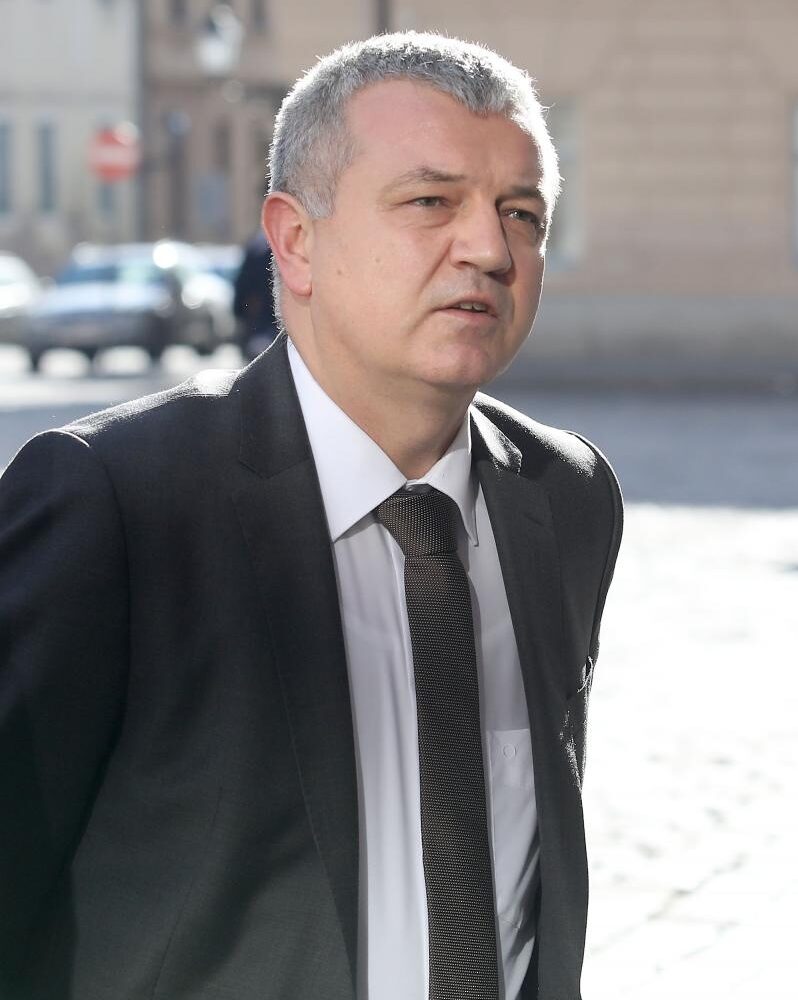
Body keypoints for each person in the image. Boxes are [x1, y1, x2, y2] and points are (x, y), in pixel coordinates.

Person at [0, 33, 622, 1000]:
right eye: (431, 202)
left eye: (522, 213)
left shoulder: (566, 495)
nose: (490, 250)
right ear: (295, 241)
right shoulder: (113, 502)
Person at [232, 226, 277, 360]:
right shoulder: (292, 241)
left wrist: (239, 313)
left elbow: (242, 287)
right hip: (281, 326)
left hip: (259, 325)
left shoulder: (256, 246)